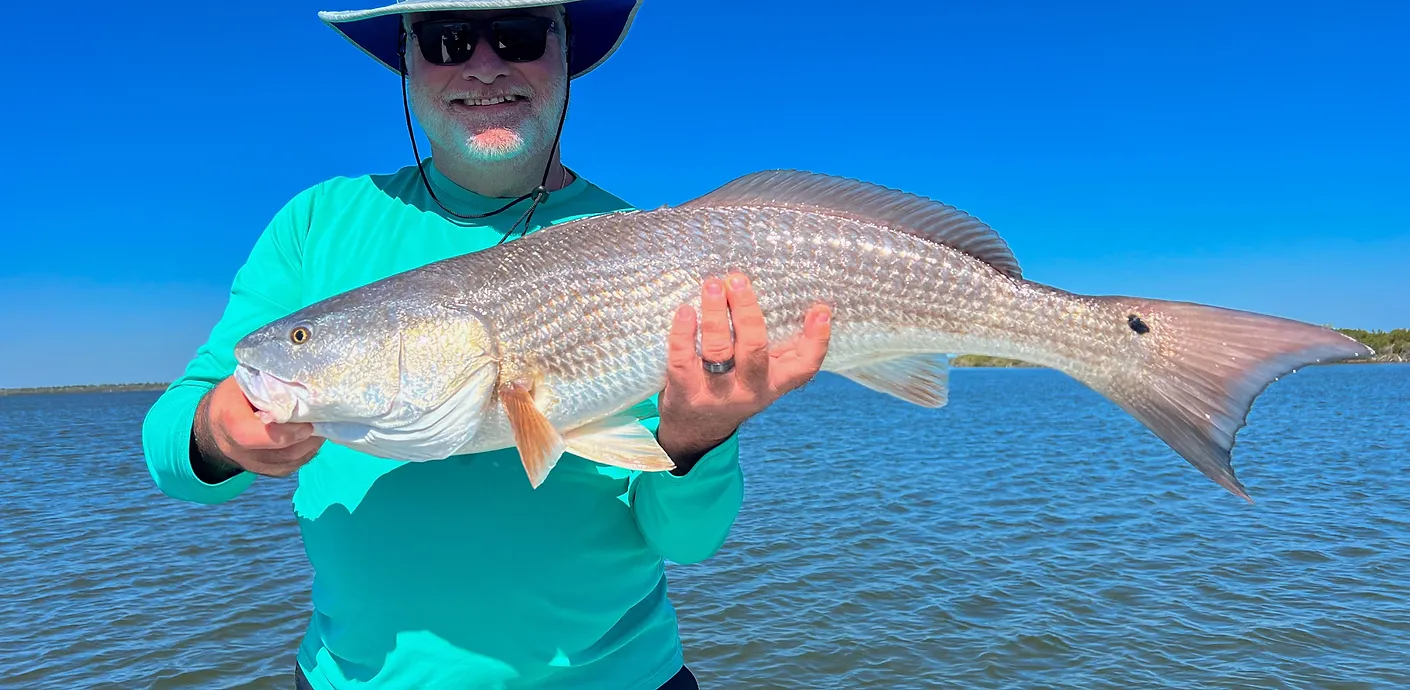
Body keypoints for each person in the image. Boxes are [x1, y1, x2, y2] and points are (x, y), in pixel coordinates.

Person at [139, 1, 833, 688]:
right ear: (406, 59)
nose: (484, 64)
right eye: (445, 39)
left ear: (566, 51)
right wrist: (217, 434)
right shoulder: (317, 225)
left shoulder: (649, 248)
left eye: (519, 34)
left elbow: (688, 542)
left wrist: (698, 437)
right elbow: (171, 452)